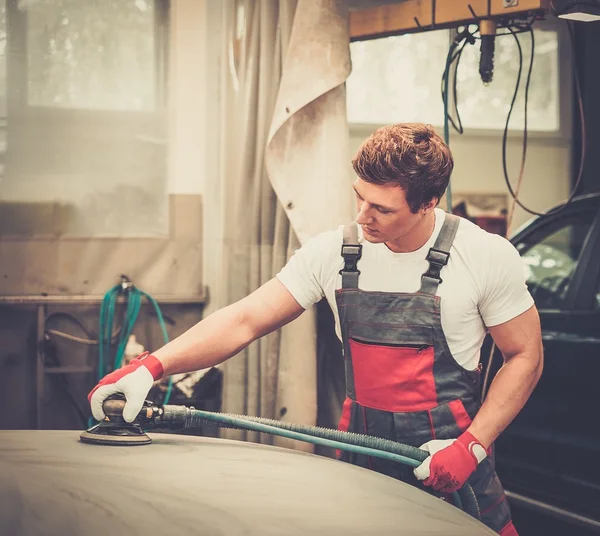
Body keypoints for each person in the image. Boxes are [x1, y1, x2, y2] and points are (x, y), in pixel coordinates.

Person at [89, 123, 543, 536]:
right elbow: (245, 319)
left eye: (382, 208)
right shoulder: (335, 252)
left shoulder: (484, 256)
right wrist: (151, 366)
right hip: (363, 457)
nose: (364, 215)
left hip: (452, 462)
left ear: (428, 203)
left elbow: (524, 356)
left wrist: (472, 447)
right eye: (359, 197)